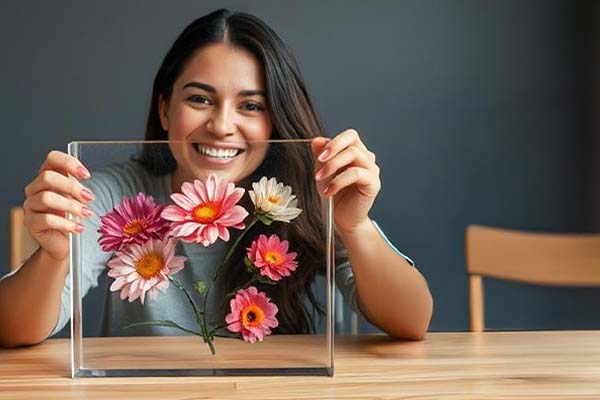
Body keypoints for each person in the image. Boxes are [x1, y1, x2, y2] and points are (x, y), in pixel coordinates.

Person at [0, 9, 433, 347]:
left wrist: (355, 226)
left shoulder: (308, 194)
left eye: (251, 106)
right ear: (165, 109)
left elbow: (412, 320)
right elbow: (13, 330)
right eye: (200, 99)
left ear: (276, 121)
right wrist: (54, 258)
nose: (222, 126)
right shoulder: (115, 194)